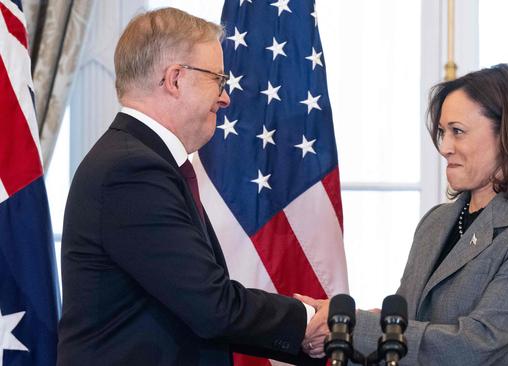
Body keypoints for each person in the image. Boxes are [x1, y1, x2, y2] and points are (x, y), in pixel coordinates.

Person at [57, 8, 326, 366]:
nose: (225, 97)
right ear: (175, 79)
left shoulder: (141, 160)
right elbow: (212, 306)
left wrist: (316, 336)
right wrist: (317, 325)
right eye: (218, 78)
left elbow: (195, 310)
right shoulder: (132, 170)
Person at [301, 64, 508, 365]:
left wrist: (356, 326)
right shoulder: (435, 222)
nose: (444, 147)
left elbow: (476, 345)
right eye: (442, 132)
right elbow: (404, 326)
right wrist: (333, 327)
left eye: (457, 131)